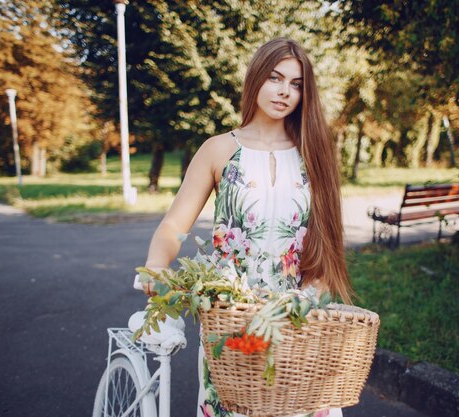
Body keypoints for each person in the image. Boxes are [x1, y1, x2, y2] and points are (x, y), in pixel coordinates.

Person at [142, 37, 353, 417]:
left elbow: (327, 246)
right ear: (257, 77)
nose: (284, 91)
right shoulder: (219, 149)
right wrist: (157, 264)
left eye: (296, 83)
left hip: (298, 317)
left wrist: (304, 303)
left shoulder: (315, 151)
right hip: (230, 316)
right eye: (275, 78)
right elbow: (174, 225)